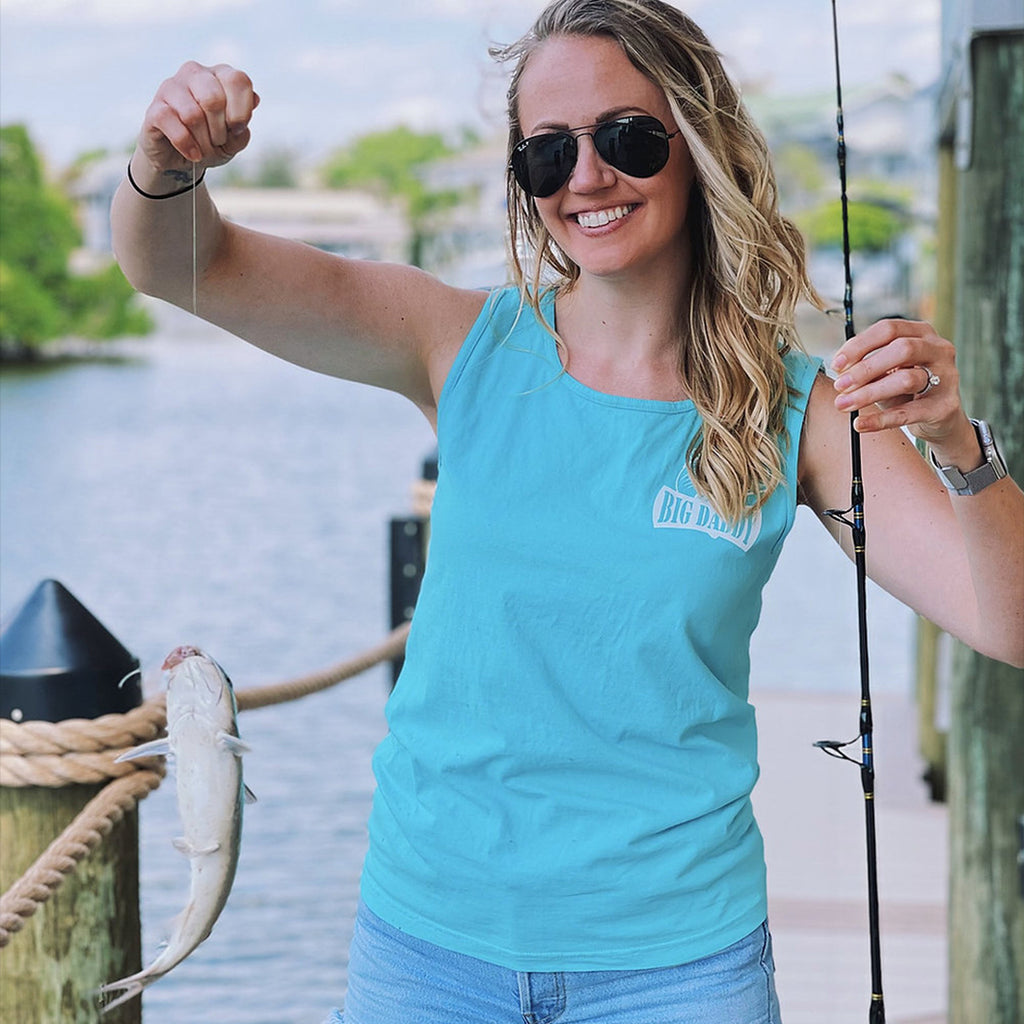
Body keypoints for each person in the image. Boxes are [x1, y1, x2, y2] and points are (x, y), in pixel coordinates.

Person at [111, 1, 1023, 1021]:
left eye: (625, 138)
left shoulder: (802, 410)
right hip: (427, 955)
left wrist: (958, 448)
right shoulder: (454, 340)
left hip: (680, 969)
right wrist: (168, 161)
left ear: (699, 143)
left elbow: (1010, 623)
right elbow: (180, 264)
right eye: (547, 153)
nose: (585, 178)